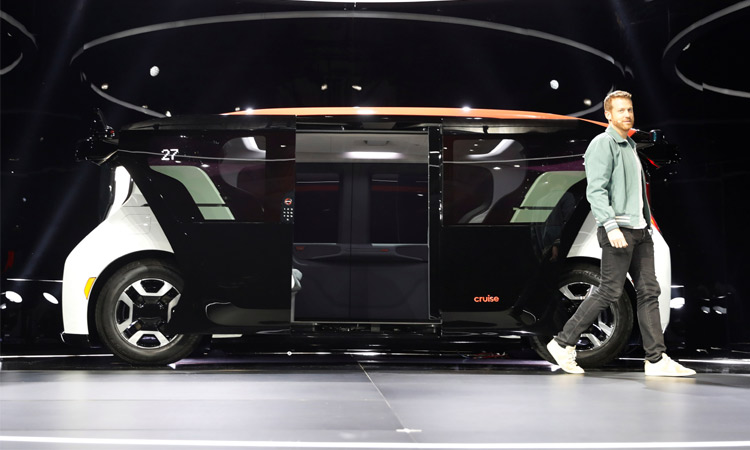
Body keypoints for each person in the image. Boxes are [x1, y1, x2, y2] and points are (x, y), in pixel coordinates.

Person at [546, 90, 696, 377]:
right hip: (619, 229)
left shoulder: (629, 145)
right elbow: (596, 190)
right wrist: (611, 225)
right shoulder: (603, 144)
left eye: (629, 109)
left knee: (649, 291)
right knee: (610, 290)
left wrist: (645, 225)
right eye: (620, 110)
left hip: (640, 230)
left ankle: (656, 359)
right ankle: (562, 343)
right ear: (608, 114)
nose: (627, 114)